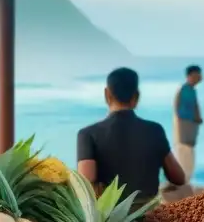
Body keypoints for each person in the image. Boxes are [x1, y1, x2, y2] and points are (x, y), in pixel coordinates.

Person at [77, 67, 185, 203]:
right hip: (150, 217)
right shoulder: (155, 130)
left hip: (110, 221)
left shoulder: (88, 134)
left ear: (107, 94)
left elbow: (85, 183)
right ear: (137, 96)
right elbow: (178, 178)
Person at [172, 65, 203, 183]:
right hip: (183, 136)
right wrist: (195, 117)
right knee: (184, 164)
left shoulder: (192, 90)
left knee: (189, 164)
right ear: (190, 76)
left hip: (190, 137)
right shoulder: (184, 90)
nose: (200, 78)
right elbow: (180, 111)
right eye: (198, 75)